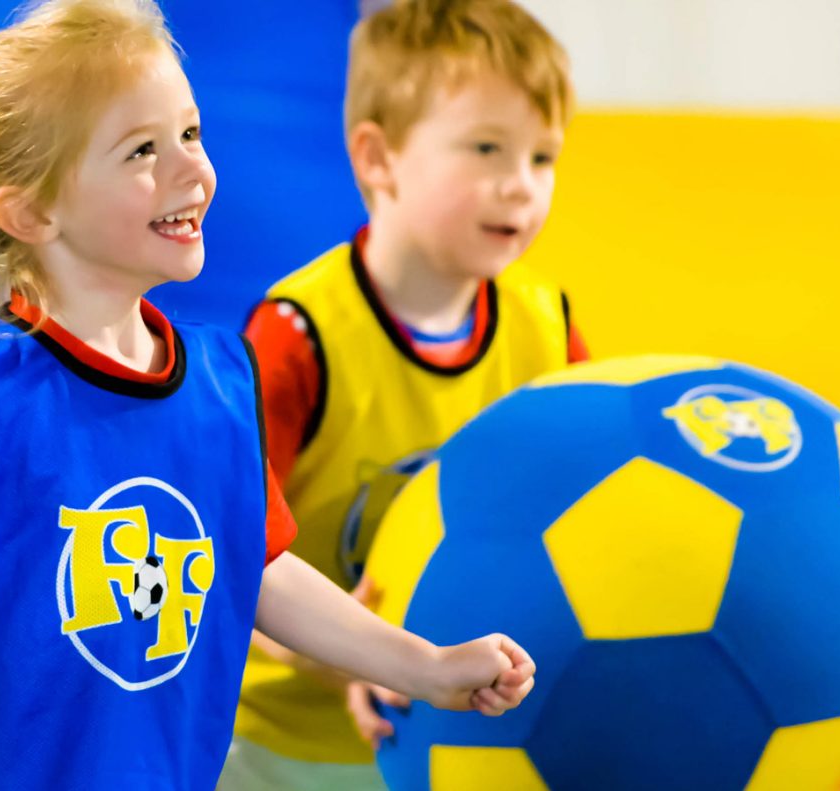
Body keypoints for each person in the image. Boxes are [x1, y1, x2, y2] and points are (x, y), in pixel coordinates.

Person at [0, 2, 535, 789]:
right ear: (32, 210)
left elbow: (260, 571)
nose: (192, 170)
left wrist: (428, 666)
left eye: (190, 133)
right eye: (143, 149)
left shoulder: (220, 382)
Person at [226, 1, 585, 788]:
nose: (519, 187)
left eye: (542, 157)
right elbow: (221, 553)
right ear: (378, 159)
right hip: (286, 747)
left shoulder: (548, 324)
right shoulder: (299, 337)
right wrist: (353, 657)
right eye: (487, 148)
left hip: (481, 737)